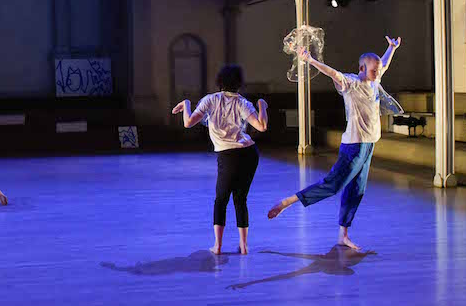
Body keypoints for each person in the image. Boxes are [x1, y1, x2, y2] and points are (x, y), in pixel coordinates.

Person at [267, 36, 402, 249]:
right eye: (373, 70)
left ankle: (343, 235)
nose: (377, 73)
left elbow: (384, 63)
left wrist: (391, 48)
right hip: (354, 146)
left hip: (368, 146)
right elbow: (331, 72)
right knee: (333, 185)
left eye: (377, 70)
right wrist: (310, 60)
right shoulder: (351, 83)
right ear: (361, 68)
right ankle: (287, 202)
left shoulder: (375, 79)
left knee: (356, 190)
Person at [172, 64, 268, 255]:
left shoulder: (210, 100)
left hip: (228, 156)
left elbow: (188, 122)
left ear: (219, 82)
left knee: (220, 200)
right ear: (239, 84)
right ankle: (244, 245)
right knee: (240, 199)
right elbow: (262, 126)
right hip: (249, 154)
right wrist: (262, 106)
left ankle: (218, 245)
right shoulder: (242, 103)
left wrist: (186, 104)